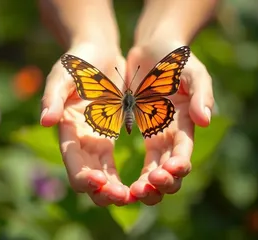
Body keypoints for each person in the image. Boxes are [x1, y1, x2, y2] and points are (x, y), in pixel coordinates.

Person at [39, 0, 217, 206]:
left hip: (109, 110)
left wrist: (165, 38)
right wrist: (90, 40)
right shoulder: (148, 86)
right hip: (150, 110)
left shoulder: (111, 90)